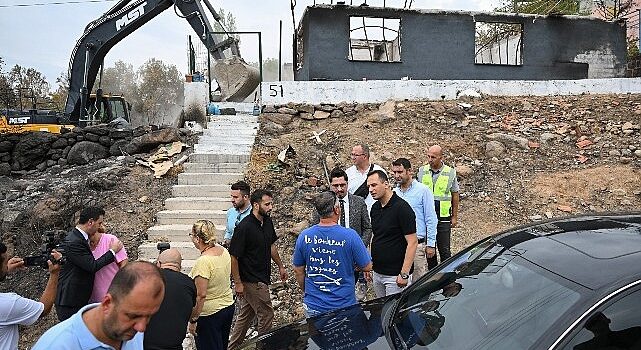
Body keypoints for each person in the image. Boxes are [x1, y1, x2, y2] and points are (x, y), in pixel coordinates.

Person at [33, 261, 165, 350]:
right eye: (132, 316)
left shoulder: (130, 330)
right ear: (107, 303)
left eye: (149, 316)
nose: (141, 328)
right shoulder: (55, 345)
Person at [293, 191, 372, 317]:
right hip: (343, 305)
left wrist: (306, 291)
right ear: (336, 209)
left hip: (313, 305)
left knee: (317, 337)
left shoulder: (304, 236)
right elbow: (367, 266)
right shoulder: (350, 236)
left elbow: (298, 270)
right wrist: (351, 264)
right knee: (344, 337)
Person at [227, 189, 288, 350]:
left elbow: (271, 245)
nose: (270, 207)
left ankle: (232, 347)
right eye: (267, 204)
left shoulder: (267, 222)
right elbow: (234, 256)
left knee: (246, 315)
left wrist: (280, 266)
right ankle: (264, 347)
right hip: (251, 280)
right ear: (255, 205)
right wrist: (238, 283)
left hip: (262, 276)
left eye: (271, 204)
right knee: (266, 314)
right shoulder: (244, 227)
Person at [55, 206, 124, 321]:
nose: (100, 227)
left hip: (78, 300)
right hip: (70, 301)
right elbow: (92, 266)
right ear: (90, 222)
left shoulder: (79, 238)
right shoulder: (74, 241)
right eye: (99, 223)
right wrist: (112, 251)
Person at [0, 242, 62, 349]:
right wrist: (54, 274)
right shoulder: (8, 303)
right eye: (5, 262)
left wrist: (5, 270)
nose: (7, 264)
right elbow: (43, 309)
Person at [366, 170, 418, 298]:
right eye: (368, 187)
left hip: (395, 276)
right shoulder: (375, 208)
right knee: (381, 312)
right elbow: (376, 236)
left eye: (374, 185)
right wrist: (370, 263)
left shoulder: (402, 208)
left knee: (396, 314)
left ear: (386, 184)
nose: (371, 190)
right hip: (378, 272)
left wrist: (404, 274)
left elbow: (412, 242)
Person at [188, 220, 235, 350]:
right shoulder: (223, 251)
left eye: (191, 235)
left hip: (209, 314)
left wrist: (193, 320)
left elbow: (201, 295)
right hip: (227, 306)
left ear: (198, 239)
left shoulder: (203, 262)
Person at [328, 167, 372, 301]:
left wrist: (359, 248)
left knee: (355, 296)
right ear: (330, 185)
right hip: (333, 257)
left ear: (347, 184)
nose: (340, 189)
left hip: (354, 257)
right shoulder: (325, 203)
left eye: (342, 185)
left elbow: (367, 228)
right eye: (336, 186)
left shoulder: (358, 201)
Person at [392, 158, 438, 280]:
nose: (397, 176)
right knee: (401, 281)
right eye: (395, 172)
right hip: (399, 245)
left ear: (409, 171)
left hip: (417, 245)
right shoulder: (394, 193)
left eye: (400, 172)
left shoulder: (423, 191)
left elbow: (431, 218)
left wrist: (431, 244)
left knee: (418, 282)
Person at [417, 145, 460, 269]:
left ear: (441, 157)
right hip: (426, 217)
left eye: (433, 157)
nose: (430, 159)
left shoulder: (450, 172)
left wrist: (454, 216)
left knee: (445, 250)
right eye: (428, 156)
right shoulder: (422, 171)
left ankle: (448, 279)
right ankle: (433, 278)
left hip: (443, 217)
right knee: (430, 251)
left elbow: (455, 195)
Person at [145, 248, 197, 350]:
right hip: (174, 345)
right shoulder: (189, 283)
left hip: (146, 344)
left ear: (158, 264)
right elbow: (192, 311)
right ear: (180, 267)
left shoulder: (146, 279)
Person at [89, 222, 128, 303]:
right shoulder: (82, 244)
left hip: (113, 295)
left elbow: (124, 263)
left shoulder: (110, 240)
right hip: (92, 299)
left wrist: (120, 287)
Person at [345, 144, 385, 213]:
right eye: (352, 154)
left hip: (376, 214)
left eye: (356, 155)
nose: (353, 157)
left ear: (365, 156)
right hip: (355, 215)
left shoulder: (379, 171)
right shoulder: (348, 173)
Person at [223, 181, 252, 247]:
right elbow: (228, 231)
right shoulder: (230, 212)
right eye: (232, 196)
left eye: (236, 197)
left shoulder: (255, 214)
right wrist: (227, 239)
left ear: (245, 197)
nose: (232, 200)